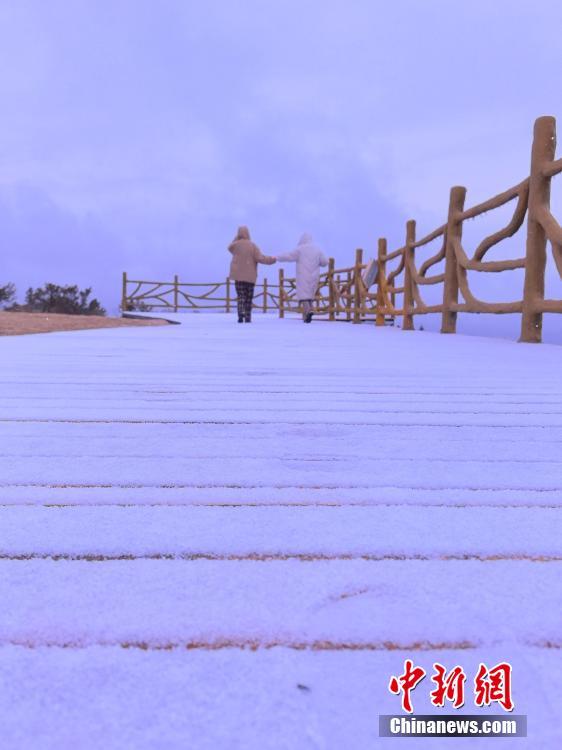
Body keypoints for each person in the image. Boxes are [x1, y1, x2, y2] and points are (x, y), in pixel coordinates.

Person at [276, 233, 328, 322]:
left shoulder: (300, 249)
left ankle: (308, 312)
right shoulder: (317, 250)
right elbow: (324, 262)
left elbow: (288, 256)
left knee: (304, 297)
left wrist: (277, 257)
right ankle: (308, 314)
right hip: (314, 276)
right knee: (310, 296)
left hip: (303, 276)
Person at [228, 226, 276, 323]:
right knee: (248, 297)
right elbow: (261, 258)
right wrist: (272, 259)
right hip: (250, 277)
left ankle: (240, 315)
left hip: (238, 276)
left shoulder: (235, 245)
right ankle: (248, 316)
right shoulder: (253, 246)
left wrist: (237, 238)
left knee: (241, 296)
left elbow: (229, 247)